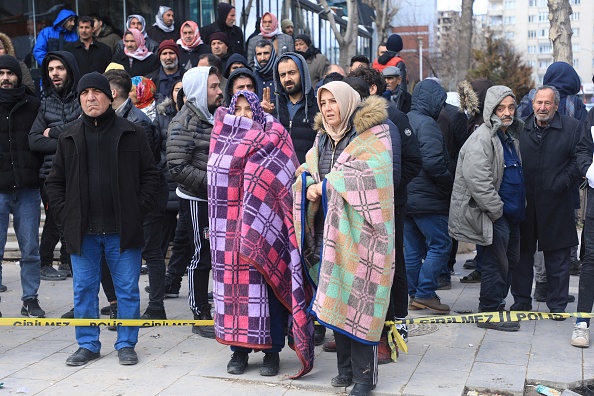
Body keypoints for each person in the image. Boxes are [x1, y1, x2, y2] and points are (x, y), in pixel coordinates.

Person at [46, 72, 160, 366]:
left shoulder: (131, 132)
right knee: (83, 289)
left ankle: (126, 343)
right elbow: (54, 183)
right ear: (79, 99)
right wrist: (64, 214)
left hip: (122, 231)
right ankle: (87, 344)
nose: (90, 98)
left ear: (110, 97)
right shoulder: (69, 137)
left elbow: (151, 176)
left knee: (126, 290)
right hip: (83, 232)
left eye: (97, 92)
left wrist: (138, 209)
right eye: (85, 93)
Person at [293, 81, 395, 396]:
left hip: (362, 237)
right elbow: (305, 170)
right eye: (323, 103)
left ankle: (365, 378)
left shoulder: (371, 137)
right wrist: (307, 182)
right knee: (337, 296)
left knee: (358, 301)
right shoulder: (322, 139)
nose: (327, 108)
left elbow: (374, 177)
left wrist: (324, 186)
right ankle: (345, 369)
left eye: (333, 102)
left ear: (347, 103)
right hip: (327, 231)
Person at [209, 89, 314, 378]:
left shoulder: (275, 136)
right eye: (237, 109)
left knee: (267, 292)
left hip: (266, 230)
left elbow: (285, 178)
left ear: (257, 111)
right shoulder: (221, 139)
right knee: (234, 293)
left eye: (247, 109)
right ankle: (238, 353)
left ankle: (272, 353)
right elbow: (214, 179)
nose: (242, 115)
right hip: (228, 232)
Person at [347, 65, 422, 360]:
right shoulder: (343, 125)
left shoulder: (392, 121)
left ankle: (391, 329)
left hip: (390, 206)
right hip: (356, 208)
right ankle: (354, 332)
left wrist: (386, 191)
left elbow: (411, 162)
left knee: (390, 266)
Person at [449, 86, 525, 331]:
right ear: (491, 109)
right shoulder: (482, 138)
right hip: (496, 215)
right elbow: (478, 182)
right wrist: (498, 210)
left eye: (510, 107)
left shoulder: (508, 135)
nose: (507, 112)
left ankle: (497, 304)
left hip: (511, 215)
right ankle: (489, 311)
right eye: (501, 108)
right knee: (495, 264)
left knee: (509, 262)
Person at [510, 86, 582, 316]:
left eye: (547, 103)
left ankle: (558, 305)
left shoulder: (571, 128)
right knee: (522, 255)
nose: (542, 107)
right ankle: (521, 300)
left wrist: (563, 181)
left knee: (558, 258)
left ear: (556, 106)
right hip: (525, 203)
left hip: (557, 202)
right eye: (538, 102)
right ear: (532, 104)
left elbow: (579, 159)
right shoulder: (519, 128)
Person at [105, 69, 168, 321]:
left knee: (151, 251)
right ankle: (121, 304)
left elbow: (147, 164)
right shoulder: (114, 118)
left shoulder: (138, 120)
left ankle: (156, 307)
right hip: (127, 196)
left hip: (146, 196)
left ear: (112, 93)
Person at [166, 66, 223, 337]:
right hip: (197, 199)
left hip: (219, 198)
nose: (219, 91)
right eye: (213, 87)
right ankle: (199, 311)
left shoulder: (214, 117)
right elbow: (177, 167)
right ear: (200, 90)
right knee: (202, 254)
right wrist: (216, 180)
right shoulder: (183, 122)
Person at [29, 51, 81, 282]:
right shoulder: (45, 103)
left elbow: (84, 129)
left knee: (72, 218)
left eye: (59, 68)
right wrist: (66, 138)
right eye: (50, 69)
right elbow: (34, 140)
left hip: (78, 170)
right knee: (54, 218)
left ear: (69, 69)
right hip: (50, 174)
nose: (54, 74)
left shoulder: (84, 97)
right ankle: (45, 262)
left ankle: (67, 260)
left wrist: (54, 132)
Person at [0, 55, 45, 317]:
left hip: (27, 189)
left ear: (18, 76)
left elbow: (41, 141)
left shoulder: (33, 105)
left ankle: (30, 299)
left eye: (10, 73)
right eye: (1, 73)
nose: (5, 78)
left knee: (29, 249)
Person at [405, 79, 453, 314]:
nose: (442, 108)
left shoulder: (404, 120)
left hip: (406, 198)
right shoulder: (428, 125)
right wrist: (448, 185)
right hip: (429, 199)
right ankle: (425, 293)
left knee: (412, 251)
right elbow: (434, 163)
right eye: (441, 103)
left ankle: (415, 294)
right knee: (441, 244)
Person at [572, 102, 594, 347]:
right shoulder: (592, 116)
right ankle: (581, 323)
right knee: (591, 261)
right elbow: (582, 151)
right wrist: (589, 170)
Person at [273, 52, 318, 165]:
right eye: (282, 75)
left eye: (292, 73)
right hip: (279, 175)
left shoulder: (318, 107)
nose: (287, 79)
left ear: (302, 73)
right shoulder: (272, 108)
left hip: (307, 176)